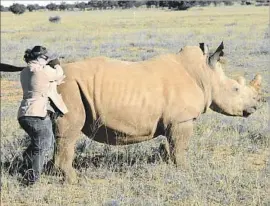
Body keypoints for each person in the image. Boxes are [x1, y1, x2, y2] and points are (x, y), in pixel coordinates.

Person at [17, 45, 68, 185]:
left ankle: (26, 161)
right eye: (45, 58)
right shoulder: (43, 70)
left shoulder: (24, 71)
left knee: (38, 143)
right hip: (37, 113)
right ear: (39, 58)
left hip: (23, 114)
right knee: (44, 144)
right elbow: (58, 73)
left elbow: (39, 84)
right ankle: (32, 179)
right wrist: (56, 63)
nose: (47, 61)